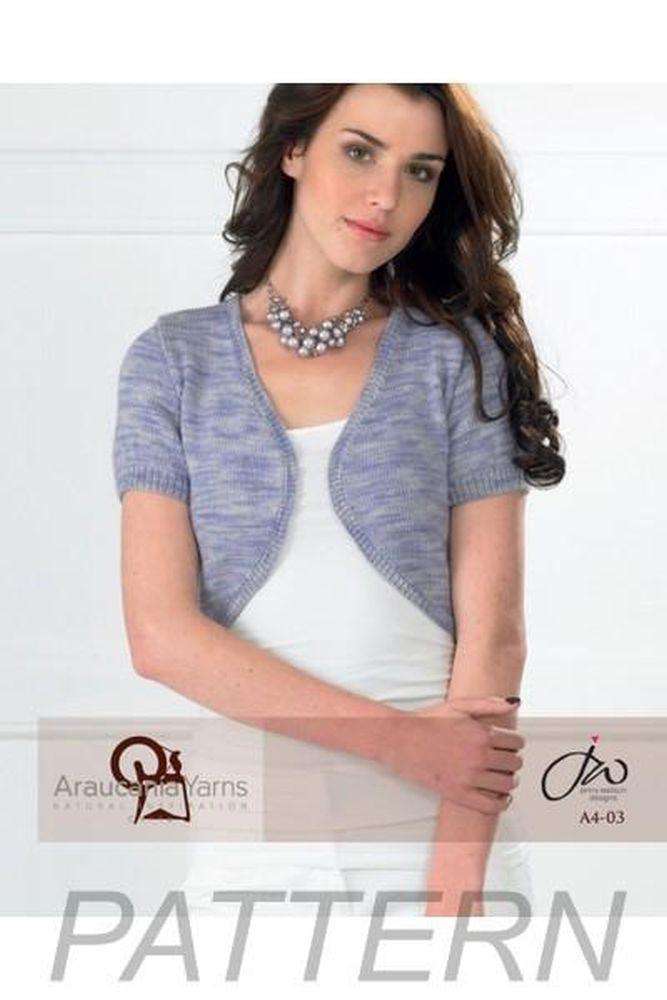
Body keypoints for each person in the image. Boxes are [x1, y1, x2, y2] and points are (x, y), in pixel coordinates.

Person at [112, 83, 564, 918]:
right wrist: (402, 744)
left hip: (436, 834)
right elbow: (161, 638)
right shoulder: (173, 362)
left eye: (420, 171)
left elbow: (494, 639)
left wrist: (456, 884)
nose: (385, 196)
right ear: (292, 150)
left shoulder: (455, 359)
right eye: (359, 152)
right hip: (249, 846)